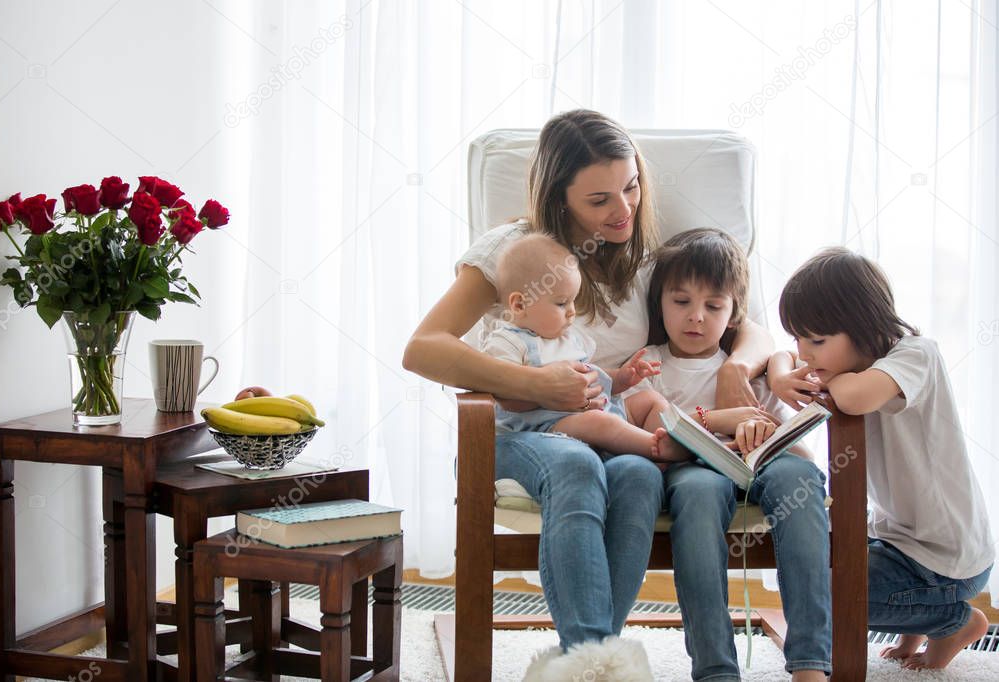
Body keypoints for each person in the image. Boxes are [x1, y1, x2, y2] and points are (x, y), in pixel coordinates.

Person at [402, 108, 774, 680]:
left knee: (640, 475)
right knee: (577, 463)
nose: (622, 210)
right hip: (518, 428)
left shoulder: (641, 253)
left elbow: (748, 323)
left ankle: (591, 658)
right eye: (599, 200)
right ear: (559, 198)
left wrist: (737, 370)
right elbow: (423, 347)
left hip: (611, 421)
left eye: (630, 188)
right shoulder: (517, 251)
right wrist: (534, 382)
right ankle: (596, 663)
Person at [772, 247, 995, 671]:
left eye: (816, 341)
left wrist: (831, 378)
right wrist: (782, 375)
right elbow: (778, 359)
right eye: (798, 339)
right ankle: (915, 630)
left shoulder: (915, 354)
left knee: (835, 594)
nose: (804, 354)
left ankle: (955, 622)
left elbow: (854, 399)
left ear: (865, 328)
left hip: (946, 560)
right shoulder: (863, 360)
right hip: (901, 540)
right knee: (812, 569)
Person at [638, 228, 831, 682]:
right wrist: (723, 420)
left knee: (800, 482)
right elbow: (658, 438)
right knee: (699, 495)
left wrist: (765, 427)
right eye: (681, 302)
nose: (696, 318)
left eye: (713, 306)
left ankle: (811, 664)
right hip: (693, 469)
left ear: (733, 313)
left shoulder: (756, 365)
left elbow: (798, 448)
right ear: (660, 303)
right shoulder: (648, 363)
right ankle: (715, 668)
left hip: (765, 463)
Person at [485, 232, 677, 461]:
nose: (572, 311)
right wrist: (546, 394)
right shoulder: (507, 342)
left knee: (649, 399)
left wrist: (622, 378)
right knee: (599, 422)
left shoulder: (570, 338)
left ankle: (670, 443)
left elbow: (592, 379)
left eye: (573, 300)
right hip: (547, 427)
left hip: (600, 414)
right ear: (519, 304)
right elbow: (504, 397)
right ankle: (653, 448)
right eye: (561, 302)